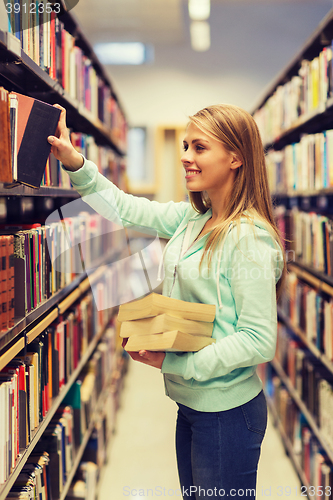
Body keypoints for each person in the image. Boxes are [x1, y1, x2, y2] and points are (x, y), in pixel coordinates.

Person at [48, 103, 286, 500]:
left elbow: (259, 338)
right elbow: (122, 208)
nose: (185, 156)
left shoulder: (248, 238)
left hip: (226, 412)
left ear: (235, 158)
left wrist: (180, 362)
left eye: (199, 147)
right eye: (185, 145)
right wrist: (75, 162)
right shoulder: (193, 219)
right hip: (191, 403)